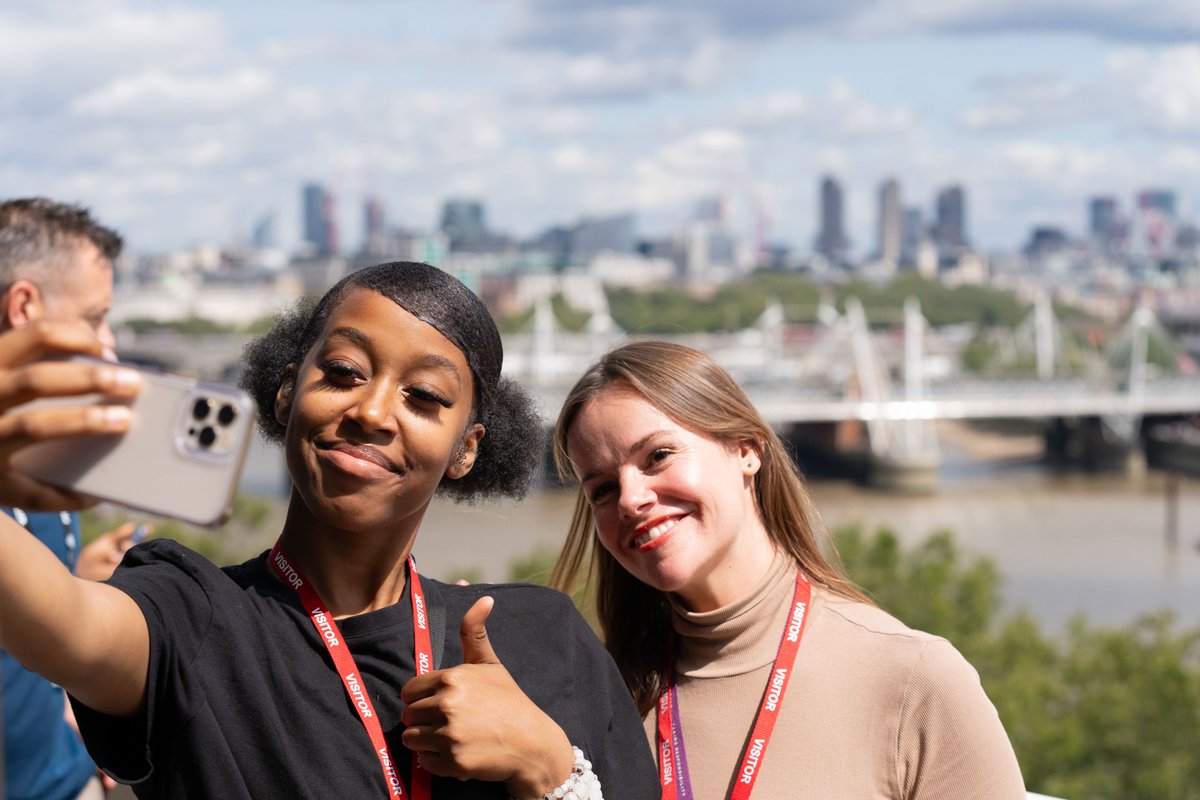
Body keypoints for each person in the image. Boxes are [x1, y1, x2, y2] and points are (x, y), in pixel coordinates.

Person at [0, 260, 658, 799]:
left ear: (466, 449)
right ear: (287, 393)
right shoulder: (192, 619)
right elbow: (63, 625)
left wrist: (547, 768)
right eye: (343, 373)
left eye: (423, 397)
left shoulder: (543, 637)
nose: (372, 411)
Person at [550, 340, 1027, 799]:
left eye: (658, 456)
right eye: (604, 490)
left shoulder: (915, 680)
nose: (631, 499)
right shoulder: (604, 703)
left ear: (747, 449)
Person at [0, 197, 151, 800]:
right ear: (26, 307)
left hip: (66, 779)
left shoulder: (50, 472)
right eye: (94, 318)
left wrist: (76, 585)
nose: (108, 343)